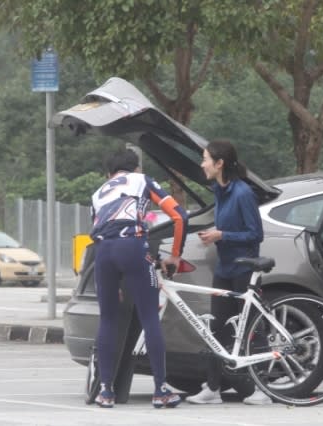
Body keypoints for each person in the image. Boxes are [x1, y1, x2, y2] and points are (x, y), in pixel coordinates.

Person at [91, 148, 188, 409]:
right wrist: (175, 256)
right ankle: (160, 391)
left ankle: (106, 392)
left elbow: (99, 227)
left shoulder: (98, 192)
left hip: (102, 253)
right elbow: (179, 216)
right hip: (132, 246)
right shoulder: (142, 180)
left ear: (108, 173)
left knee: (108, 319)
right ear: (135, 169)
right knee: (149, 317)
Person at [185, 140, 272, 405]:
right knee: (216, 328)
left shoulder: (242, 193)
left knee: (251, 330)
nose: (202, 164)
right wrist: (213, 235)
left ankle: (262, 390)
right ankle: (212, 388)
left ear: (219, 163)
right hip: (224, 268)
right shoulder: (219, 190)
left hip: (245, 269)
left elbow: (255, 233)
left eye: (205, 159)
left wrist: (222, 234)